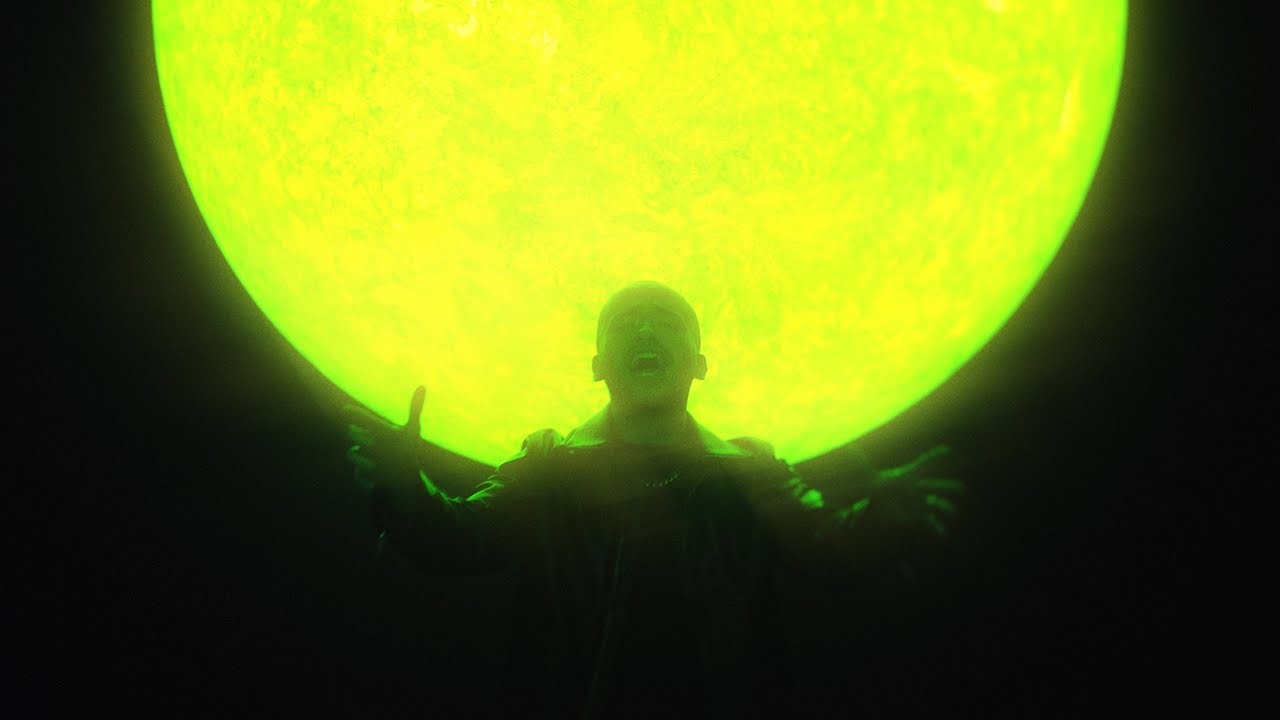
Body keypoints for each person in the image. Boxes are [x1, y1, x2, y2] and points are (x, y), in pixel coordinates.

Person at [344, 281, 962, 718]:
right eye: (624, 321)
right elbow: (463, 539)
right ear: (596, 365)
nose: (644, 329)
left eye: (666, 319)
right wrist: (404, 488)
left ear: (700, 363)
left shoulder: (749, 473)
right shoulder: (550, 467)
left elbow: (823, 546)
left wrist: (888, 519)